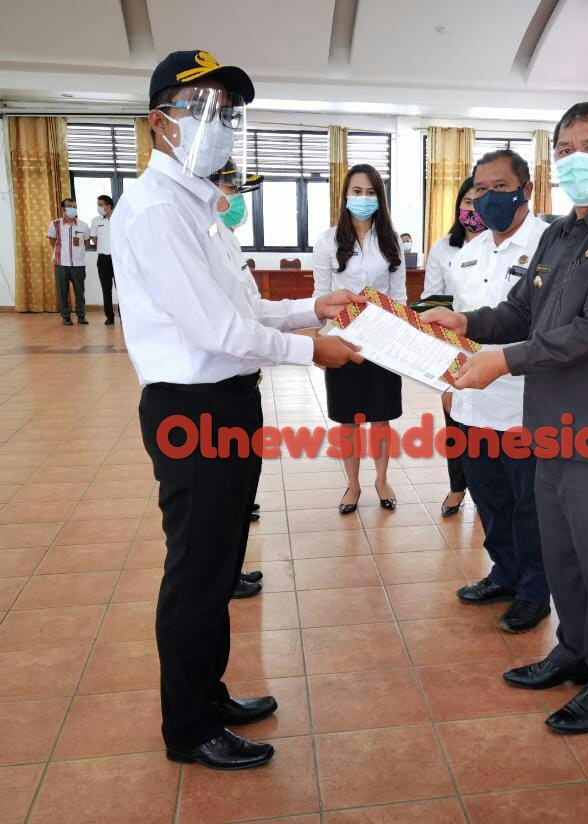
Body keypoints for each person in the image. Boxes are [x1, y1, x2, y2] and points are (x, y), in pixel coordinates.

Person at [112, 49, 365, 771]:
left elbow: (245, 308)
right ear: (162, 122)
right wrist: (315, 351)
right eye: (204, 109)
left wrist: (310, 308)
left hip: (225, 403)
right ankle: (188, 728)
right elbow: (217, 333)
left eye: (229, 111)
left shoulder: (199, 205)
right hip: (191, 410)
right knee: (197, 573)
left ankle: (209, 692)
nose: (220, 124)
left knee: (220, 565)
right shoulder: (158, 209)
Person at [424, 102, 588, 735]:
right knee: (565, 554)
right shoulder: (560, 234)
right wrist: (467, 324)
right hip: (553, 425)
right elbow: (519, 313)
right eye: (563, 148)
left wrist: (500, 363)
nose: (573, 159)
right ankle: (575, 651)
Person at [449, 150, 550, 634]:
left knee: (529, 505)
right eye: (481, 189)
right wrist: (445, 383)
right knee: (490, 499)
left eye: (500, 186)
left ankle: (535, 589)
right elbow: (459, 328)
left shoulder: (550, 244)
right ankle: (505, 573)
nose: (490, 197)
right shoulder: (468, 251)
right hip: (472, 402)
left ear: (525, 190)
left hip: (525, 405)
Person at [313, 164, 406, 513]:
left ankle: (382, 480)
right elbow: (320, 295)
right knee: (348, 419)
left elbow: (398, 295)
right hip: (344, 340)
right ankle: (352, 485)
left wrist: (400, 337)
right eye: (356, 191)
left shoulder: (391, 239)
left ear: (380, 198)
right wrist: (324, 343)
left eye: (370, 192)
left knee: (381, 418)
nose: (363, 198)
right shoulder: (328, 240)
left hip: (384, 340)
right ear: (345, 196)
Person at [209, 160, 267, 600]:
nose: (237, 196)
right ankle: (219, 578)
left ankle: (229, 572)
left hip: (239, 392)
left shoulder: (222, 236)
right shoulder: (192, 237)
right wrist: (312, 349)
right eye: (232, 185)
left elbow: (256, 311)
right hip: (204, 400)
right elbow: (227, 331)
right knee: (216, 504)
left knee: (237, 496)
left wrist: (316, 307)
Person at [423, 176, 486, 517]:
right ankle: (457, 487)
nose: (472, 209)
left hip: (492, 347)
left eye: (479, 202)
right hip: (451, 347)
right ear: (458, 206)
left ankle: (484, 489)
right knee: (454, 424)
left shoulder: (499, 244)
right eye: (467, 202)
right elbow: (431, 300)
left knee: (486, 426)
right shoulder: (443, 247)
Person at [47, 198, 90, 325]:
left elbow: (86, 242)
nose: (73, 208)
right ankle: (65, 317)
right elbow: (52, 241)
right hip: (61, 264)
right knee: (62, 292)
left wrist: (77, 253)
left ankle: (81, 316)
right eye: (70, 206)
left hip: (78, 264)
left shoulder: (83, 225)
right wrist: (62, 252)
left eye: (74, 206)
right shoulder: (55, 224)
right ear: (63, 209)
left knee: (80, 292)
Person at [91, 195, 116, 324]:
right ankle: (110, 317)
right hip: (103, 259)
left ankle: (125, 317)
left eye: (100, 205)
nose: (98, 207)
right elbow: (94, 239)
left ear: (108, 206)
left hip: (118, 260)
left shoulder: (119, 218)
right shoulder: (95, 221)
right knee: (106, 289)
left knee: (122, 289)